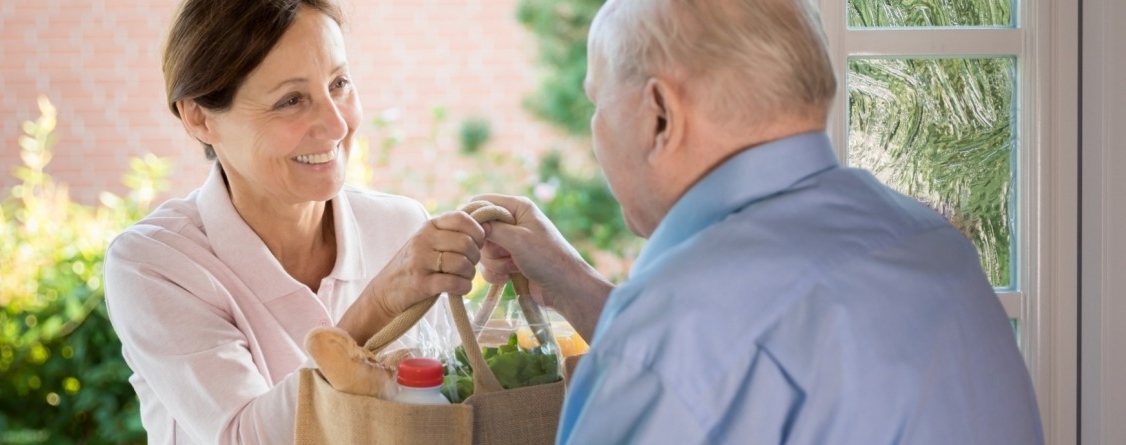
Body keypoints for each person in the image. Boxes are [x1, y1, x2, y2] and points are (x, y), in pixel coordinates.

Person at [475, 0, 1044, 443]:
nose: (594, 130)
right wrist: (571, 283)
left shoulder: (672, 334)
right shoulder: (931, 245)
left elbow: (702, 353)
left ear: (659, 116)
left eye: (596, 103)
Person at [103, 0, 484, 443]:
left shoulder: (400, 227)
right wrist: (378, 303)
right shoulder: (154, 263)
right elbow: (243, 436)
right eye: (291, 100)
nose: (336, 124)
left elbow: (455, 400)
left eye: (339, 83)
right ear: (199, 117)